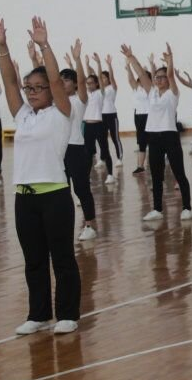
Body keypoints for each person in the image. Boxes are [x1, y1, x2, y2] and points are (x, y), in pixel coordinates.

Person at [0, 16, 81, 336]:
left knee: (62, 258)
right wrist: (2, 47)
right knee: (33, 260)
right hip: (25, 197)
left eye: (37, 88)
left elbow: (56, 80)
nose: (30, 92)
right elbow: (9, 84)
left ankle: (67, 314)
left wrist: (45, 46)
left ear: (50, 91)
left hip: (54, 195)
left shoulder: (61, 113)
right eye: (28, 87)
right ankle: (39, 314)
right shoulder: (23, 116)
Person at [121, 43, 192, 222]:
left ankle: (187, 208)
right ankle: (157, 209)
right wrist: (131, 57)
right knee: (156, 175)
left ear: (168, 79)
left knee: (179, 173)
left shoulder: (173, 94)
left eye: (162, 77)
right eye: (157, 77)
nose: (159, 80)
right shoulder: (152, 92)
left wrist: (170, 61)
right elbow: (140, 73)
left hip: (170, 136)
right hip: (153, 137)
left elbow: (171, 75)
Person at [61, 41, 97, 241]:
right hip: (59, 150)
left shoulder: (79, 99)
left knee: (81, 189)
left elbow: (82, 82)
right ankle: (66, 225)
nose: (62, 83)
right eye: (61, 81)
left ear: (74, 84)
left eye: (66, 80)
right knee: (62, 190)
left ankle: (90, 225)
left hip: (76, 149)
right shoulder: (56, 101)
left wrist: (77, 59)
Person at [83, 56, 114, 185]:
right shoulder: (86, 94)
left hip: (99, 125)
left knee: (105, 150)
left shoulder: (101, 92)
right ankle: (86, 176)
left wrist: (99, 63)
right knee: (88, 153)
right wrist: (86, 64)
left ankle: (110, 175)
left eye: (91, 83)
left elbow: (100, 79)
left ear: (96, 84)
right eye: (88, 83)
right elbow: (82, 79)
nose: (89, 85)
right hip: (88, 126)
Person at [125, 58, 150, 173]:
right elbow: (131, 79)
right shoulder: (136, 88)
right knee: (141, 142)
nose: (141, 80)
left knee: (153, 141)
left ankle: (158, 161)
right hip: (138, 116)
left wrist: (146, 68)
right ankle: (140, 166)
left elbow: (144, 76)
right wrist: (128, 67)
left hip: (149, 116)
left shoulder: (150, 89)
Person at [99, 56, 124, 168]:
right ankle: (102, 158)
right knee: (102, 139)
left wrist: (109, 65)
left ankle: (119, 158)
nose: (103, 79)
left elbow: (112, 77)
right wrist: (97, 64)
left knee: (115, 138)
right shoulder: (100, 89)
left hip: (112, 115)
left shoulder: (113, 87)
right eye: (101, 78)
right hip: (101, 116)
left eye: (104, 78)